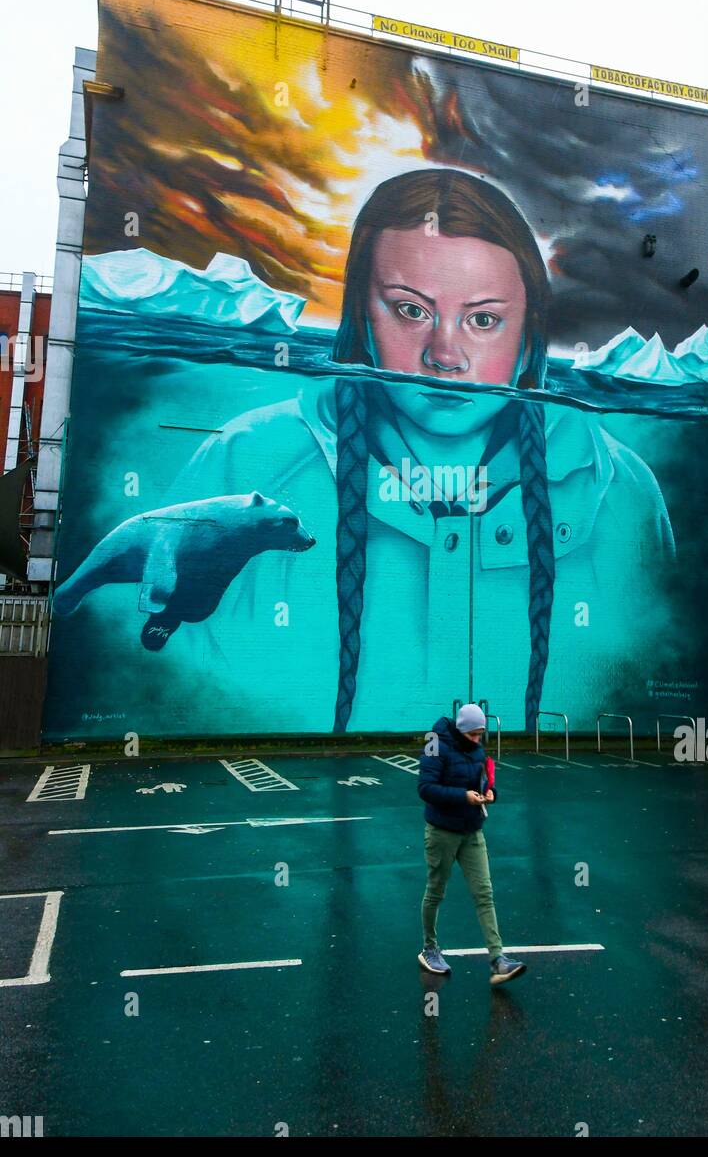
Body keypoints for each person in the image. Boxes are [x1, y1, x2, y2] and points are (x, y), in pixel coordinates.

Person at [53, 168, 674, 736]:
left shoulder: (621, 489)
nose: (445, 355)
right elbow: (146, 669)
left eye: (483, 320)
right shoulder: (244, 459)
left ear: (528, 329)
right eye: (410, 310)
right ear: (360, 313)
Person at [417, 702, 526, 985]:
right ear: (462, 729)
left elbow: (484, 780)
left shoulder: (476, 749)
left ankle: (498, 960)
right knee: (436, 892)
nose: (478, 740)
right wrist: (461, 796)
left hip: (472, 830)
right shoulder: (435, 744)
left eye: (481, 735)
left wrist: (490, 793)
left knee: (484, 893)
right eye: (474, 734)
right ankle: (430, 948)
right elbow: (425, 788)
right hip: (442, 831)